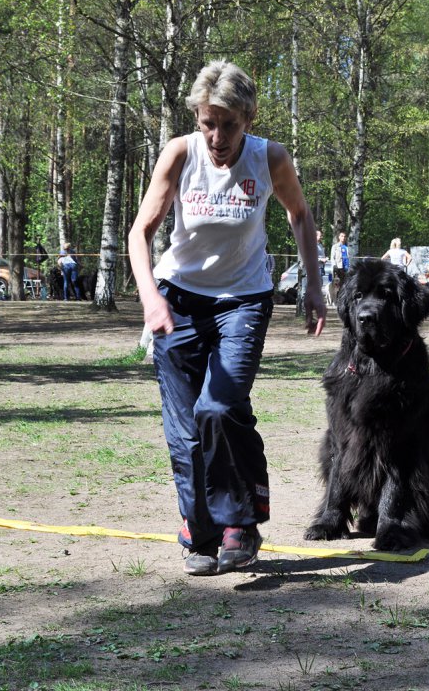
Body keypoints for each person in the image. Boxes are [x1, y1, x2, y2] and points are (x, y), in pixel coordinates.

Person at [128, 60, 326, 577]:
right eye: (207, 123)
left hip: (243, 300)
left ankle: (241, 521)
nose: (216, 137)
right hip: (178, 301)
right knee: (185, 432)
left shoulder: (269, 158)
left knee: (219, 407)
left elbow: (300, 214)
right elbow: (140, 232)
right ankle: (201, 531)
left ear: (249, 119)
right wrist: (151, 298)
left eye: (229, 125)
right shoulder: (180, 153)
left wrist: (314, 284)